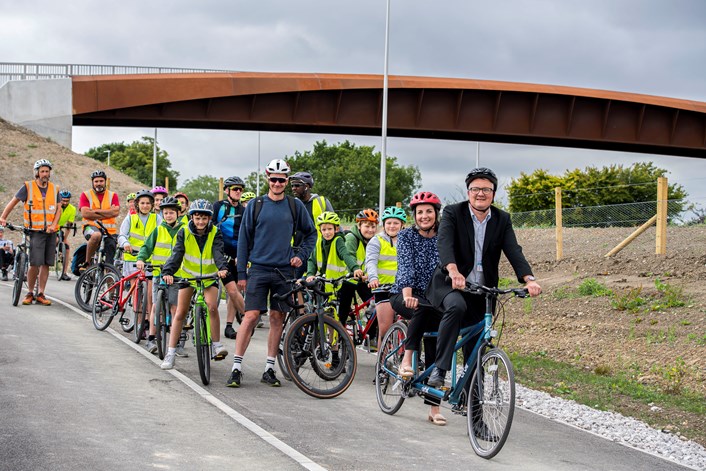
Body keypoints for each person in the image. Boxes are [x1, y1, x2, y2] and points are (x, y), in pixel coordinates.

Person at [426, 168, 542, 393]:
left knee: (475, 349)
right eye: (476, 189)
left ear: (494, 194)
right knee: (457, 307)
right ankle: (440, 369)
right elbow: (444, 243)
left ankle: (474, 408)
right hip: (449, 284)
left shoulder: (502, 219)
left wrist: (529, 279)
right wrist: (453, 270)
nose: (481, 193)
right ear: (468, 192)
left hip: (481, 289)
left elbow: (513, 250)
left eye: (486, 189)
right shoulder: (453, 212)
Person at [229, 158, 317, 388]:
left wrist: (302, 255)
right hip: (257, 268)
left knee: (278, 317)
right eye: (273, 179)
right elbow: (243, 240)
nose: (277, 183)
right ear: (267, 178)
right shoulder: (256, 205)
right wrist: (241, 274)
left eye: (281, 180)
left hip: (283, 271)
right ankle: (236, 368)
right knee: (251, 317)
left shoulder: (294, 206)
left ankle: (269, 368)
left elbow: (311, 234)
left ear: (287, 181)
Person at [389, 191, 445, 425]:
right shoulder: (406, 236)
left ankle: (434, 408)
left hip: (435, 299)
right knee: (421, 308)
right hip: (405, 294)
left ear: (436, 214)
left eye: (428, 211)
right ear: (414, 215)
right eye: (420, 212)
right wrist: (408, 292)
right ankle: (407, 359)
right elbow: (406, 266)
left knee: (436, 347)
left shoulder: (444, 236)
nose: (424, 216)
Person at [159, 199, 229, 370]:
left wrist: (222, 268)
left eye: (204, 219)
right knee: (180, 313)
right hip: (188, 277)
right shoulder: (183, 232)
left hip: (209, 276)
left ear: (209, 219)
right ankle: (171, 352)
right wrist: (167, 272)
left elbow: (218, 252)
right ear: (191, 217)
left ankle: (216, 345)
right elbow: (177, 254)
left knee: (212, 307)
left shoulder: (215, 232)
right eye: (197, 218)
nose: (200, 222)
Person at [0, 159, 62, 305]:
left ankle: (41, 293)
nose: (45, 174)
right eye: (42, 171)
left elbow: (59, 209)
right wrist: (3, 217)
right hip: (35, 231)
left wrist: (54, 224)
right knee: (35, 262)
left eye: (47, 171)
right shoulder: (28, 187)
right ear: (37, 173)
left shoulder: (54, 189)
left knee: (46, 263)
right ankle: (29, 293)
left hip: (50, 231)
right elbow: (13, 202)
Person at [136, 196, 184, 356]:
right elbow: (146, 247)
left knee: (175, 308)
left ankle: (175, 341)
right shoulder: (158, 230)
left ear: (178, 213)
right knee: (156, 306)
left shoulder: (183, 230)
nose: (168, 215)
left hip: (177, 275)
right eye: (165, 213)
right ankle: (151, 338)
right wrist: (141, 259)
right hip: (158, 273)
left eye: (171, 213)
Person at [365, 206, 406, 346]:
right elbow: (371, 261)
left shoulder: (407, 240)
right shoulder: (377, 241)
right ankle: (382, 362)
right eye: (389, 223)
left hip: (403, 288)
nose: (392, 226)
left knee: (413, 324)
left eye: (395, 223)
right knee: (385, 329)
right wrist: (373, 278)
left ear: (402, 224)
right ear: (384, 224)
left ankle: (412, 358)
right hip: (383, 288)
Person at [212, 176, 246, 340]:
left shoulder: (244, 210)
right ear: (227, 191)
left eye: (240, 189)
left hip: (236, 256)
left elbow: (247, 235)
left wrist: (242, 255)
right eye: (235, 189)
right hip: (218, 255)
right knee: (228, 291)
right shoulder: (218, 207)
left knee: (234, 291)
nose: (238, 192)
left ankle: (230, 326)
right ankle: (248, 319)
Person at [338, 209, 378, 330]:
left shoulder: (374, 241)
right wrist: (355, 270)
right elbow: (349, 256)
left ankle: (370, 337)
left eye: (373, 226)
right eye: (367, 226)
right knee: (343, 312)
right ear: (359, 225)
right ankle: (340, 336)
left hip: (363, 280)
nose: (370, 230)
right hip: (348, 279)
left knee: (376, 305)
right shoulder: (351, 238)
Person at [305, 211, 364, 292]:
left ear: (336, 229)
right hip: (323, 281)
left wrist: (355, 268)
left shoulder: (338, 240)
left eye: (329, 229)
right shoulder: (319, 242)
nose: (327, 232)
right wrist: (310, 274)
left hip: (338, 282)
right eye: (324, 229)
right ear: (320, 230)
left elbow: (345, 254)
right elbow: (312, 260)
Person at [290, 171, 334, 277]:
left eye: (297, 185)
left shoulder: (321, 201)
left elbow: (334, 223)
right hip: (296, 253)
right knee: (295, 285)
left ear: (307, 186)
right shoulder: (292, 204)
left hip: (317, 252)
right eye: (292, 185)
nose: (293, 188)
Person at [79, 170, 119, 267]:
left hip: (109, 231)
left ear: (105, 182)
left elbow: (116, 212)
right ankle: (87, 263)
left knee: (111, 256)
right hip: (90, 227)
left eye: (101, 181)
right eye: (96, 181)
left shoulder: (113, 195)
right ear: (92, 182)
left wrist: (94, 212)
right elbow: (85, 213)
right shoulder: (85, 195)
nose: (99, 184)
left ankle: (110, 279)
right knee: (96, 235)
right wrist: (108, 212)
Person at [117, 190, 159, 276]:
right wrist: (125, 243)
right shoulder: (130, 218)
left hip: (150, 258)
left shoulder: (157, 218)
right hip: (132, 257)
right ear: (137, 204)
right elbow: (122, 235)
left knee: (150, 288)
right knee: (134, 286)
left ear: (152, 205)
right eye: (142, 203)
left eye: (148, 203)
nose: (145, 206)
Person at [56, 190, 77, 280]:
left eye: (67, 201)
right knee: (55, 241)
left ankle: (64, 272)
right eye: (63, 200)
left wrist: (65, 239)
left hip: (61, 228)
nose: (65, 202)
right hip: (52, 228)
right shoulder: (56, 206)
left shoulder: (72, 209)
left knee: (67, 247)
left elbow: (69, 225)